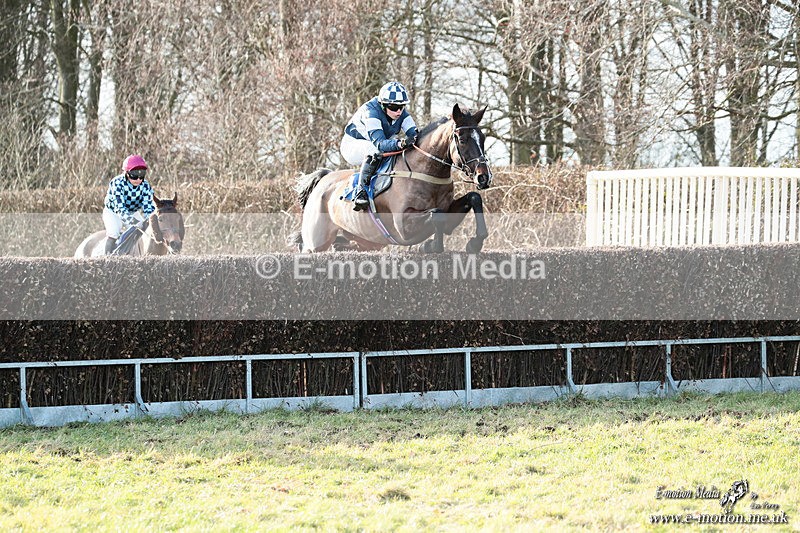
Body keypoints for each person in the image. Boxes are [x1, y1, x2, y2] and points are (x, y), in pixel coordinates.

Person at [341, 81, 419, 211]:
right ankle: (361, 191)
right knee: (374, 150)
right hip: (353, 145)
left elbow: (416, 136)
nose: (399, 111)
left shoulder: (402, 113)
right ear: (383, 105)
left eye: (402, 106)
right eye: (394, 107)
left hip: (377, 143)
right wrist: (401, 143)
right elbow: (380, 144)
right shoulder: (371, 111)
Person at [102, 154, 155, 255]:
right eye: (134, 175)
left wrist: (150, 220)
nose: (138, 179)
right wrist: (134, 222)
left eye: (142, 175)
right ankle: (106, 260)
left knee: (145, 232)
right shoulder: (117, 183)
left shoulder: (146, 186)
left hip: (133, 211)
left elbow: (148, 207)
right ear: (126, 173)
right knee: (113, 233)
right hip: (113, 212)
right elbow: (120, 209)